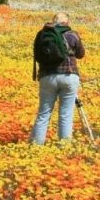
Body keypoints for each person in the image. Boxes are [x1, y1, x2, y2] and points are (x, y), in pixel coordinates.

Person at [29, 12, 85, 145]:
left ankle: (36, 146)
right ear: (67, 22)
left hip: (47, 77)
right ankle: (64, 147)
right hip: (68, 76)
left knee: (44, 113)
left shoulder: (44, 35)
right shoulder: (72, 34)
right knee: (66, 114)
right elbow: (81, 54)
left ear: (53, 22)